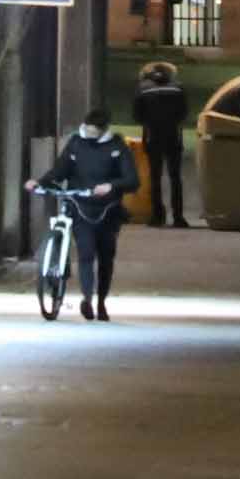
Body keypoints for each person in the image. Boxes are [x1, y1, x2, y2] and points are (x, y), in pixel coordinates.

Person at [43, 108, 139, 320]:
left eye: (94, 132)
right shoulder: (76, 143)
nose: (89, 135)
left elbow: (132, 180)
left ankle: (102, 301)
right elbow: (60, 171)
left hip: (108, 210)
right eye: (87, 130)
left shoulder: (117, 147)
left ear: (104, 130)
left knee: (106, 256)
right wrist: (40, 182)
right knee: (85, 253)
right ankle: (87, 298)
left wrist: (111, 186)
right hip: (80, 206)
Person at [132, 61, 191, 227]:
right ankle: (178, 217)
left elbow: (137, 115)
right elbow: (183, 113)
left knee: (155, 177)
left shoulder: (142, 89)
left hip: (153, 136)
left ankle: (157, 216)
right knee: (175, 177)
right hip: (173, 135)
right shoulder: (178, 87)